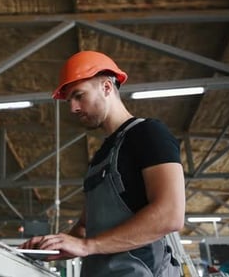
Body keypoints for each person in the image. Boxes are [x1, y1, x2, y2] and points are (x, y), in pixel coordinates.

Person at [19, 51, 186, 276]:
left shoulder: (148, 134)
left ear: (107, 87)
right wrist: (53, 245)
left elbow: (170, 215)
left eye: (79, 96)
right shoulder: (100, 157)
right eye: (70, 101)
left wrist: (88, 246)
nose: (73, 108)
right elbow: (85, 228)